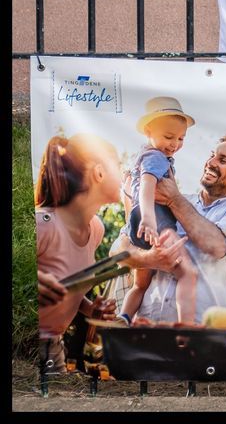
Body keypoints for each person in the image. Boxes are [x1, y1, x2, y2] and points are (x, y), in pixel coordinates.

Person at [35, 133, 187, 375]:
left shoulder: (95, 228)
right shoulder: (43, 223)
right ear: (99, 173)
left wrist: (89, 309)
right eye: (118, 166)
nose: (126, 174)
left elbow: (63, 284)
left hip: (54, 346)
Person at [136, 134, 226, 324]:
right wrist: (148, 258)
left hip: (203, 332)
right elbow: (121, 248)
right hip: (147, 325)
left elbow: (216, 245)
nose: (211, 163)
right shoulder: (176, 199)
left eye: (223, 160)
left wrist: (174, 199)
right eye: (212, 155)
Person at [119, 97, 198, 325]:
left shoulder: (144, 155)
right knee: (188, 274)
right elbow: (147, 186)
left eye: (181, 138)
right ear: (148, 131)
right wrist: (149, 219)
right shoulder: (156, 157)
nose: (175, 144)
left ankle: (124, 316)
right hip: (156, 218)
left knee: (140, 284)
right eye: (169, 137)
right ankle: (186, 326)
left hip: (139, 222)